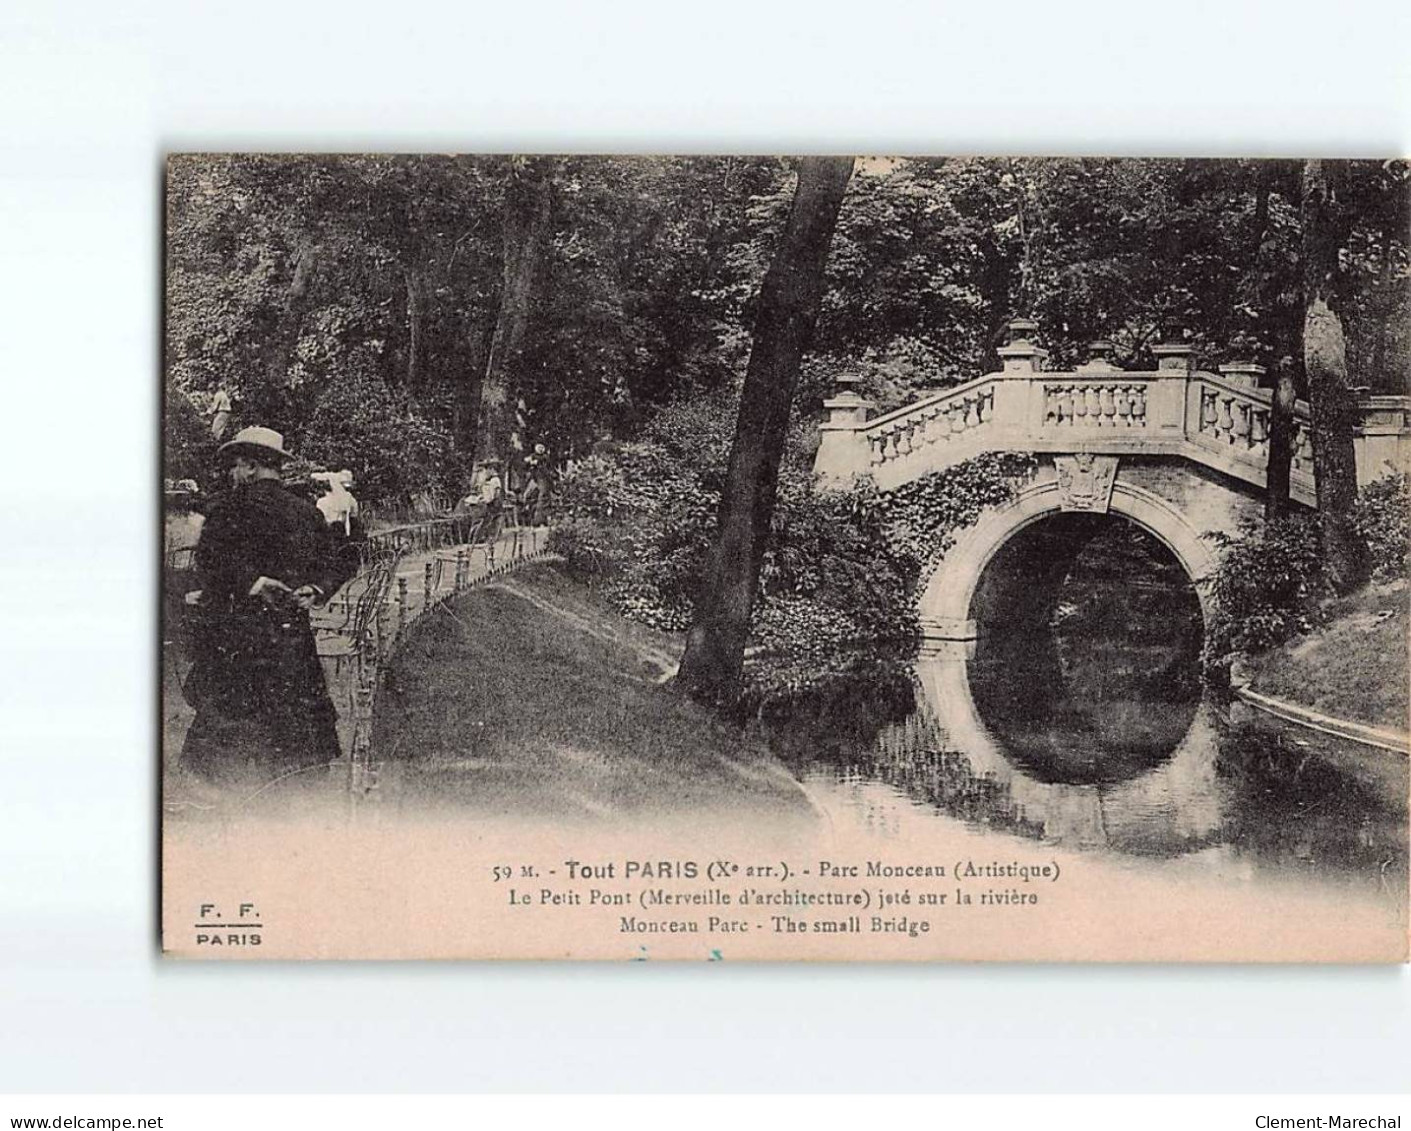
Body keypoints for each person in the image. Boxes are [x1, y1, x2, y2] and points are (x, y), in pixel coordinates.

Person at [179, 426, 343, 783]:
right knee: (293, 730)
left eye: (236, 466)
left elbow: (209, 564)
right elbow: (338, 560)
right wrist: (315, 588)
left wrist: (251, 584)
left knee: (227, 740)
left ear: (251, 466)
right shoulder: (307, 513)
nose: (233, 474)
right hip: (289, 640)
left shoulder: (225, 511)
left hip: (235, 639)